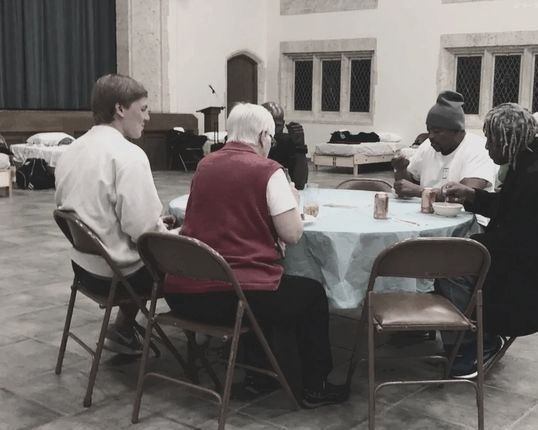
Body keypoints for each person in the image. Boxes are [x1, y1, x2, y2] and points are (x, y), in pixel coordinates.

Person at [163, 103, 348, 408]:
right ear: (264, 136)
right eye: (271, 140)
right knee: (310, 292)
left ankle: (258, 375)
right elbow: (293, 234)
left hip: (184, 293)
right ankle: (315, 386)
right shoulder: (268, 170)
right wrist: (293, 201)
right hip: (230, 299)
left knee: (257, 282)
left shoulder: (205, 164)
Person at [441, 103, 538, 378]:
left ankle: (475, 345)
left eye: (491, 140)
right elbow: (510, 209)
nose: (487, 148)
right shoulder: (531, 161)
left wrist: (472, 247)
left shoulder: (536, 178)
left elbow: (521, 244)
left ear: (508, 141)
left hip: (531, 283)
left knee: (447, 268)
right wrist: (471, 196)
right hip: (528, 262)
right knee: (454, 254)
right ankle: (467, 334)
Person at [55, 74, 174, 355]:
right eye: (143, 109)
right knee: (188, 261)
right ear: (120, 109)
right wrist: (169, 232)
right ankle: (204, 337)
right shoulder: (128, 155)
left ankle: (122, 330)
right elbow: (144, 233)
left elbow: (72, 210)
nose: (148, 117)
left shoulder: (70, 151)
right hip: (120, 276)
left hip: (84, 268)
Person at [392, 90, 496, 199]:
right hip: (428, 213)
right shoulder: (427, 146)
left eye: (436, 131)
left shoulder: (478, 148)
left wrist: (420, 191)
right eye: (429, 131)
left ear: (457, 131)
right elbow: (409, 185)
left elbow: (467, 195)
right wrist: (401, 169)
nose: (431, 136)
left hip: (468, 215)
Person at [262, 101, 309, 189]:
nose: (273, 131)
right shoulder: (251, 143)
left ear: (283, 125)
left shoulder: (286, 142)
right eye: (269, 126)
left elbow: (300, 183)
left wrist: (300, 147)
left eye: (277, 126)